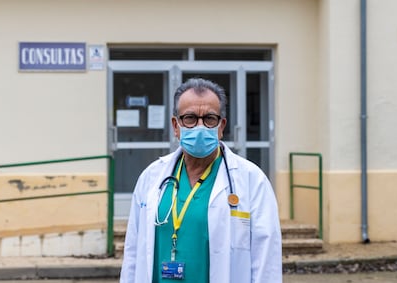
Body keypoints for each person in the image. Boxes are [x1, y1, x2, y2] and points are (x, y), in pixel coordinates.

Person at [120, 78, 282, 283]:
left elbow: (266, 259)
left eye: (209, 119)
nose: (199, 126)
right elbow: (133, 250)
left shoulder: (252, 180)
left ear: (221, 126)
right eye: (190, 118)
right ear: (175, 126)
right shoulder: (152, 177)